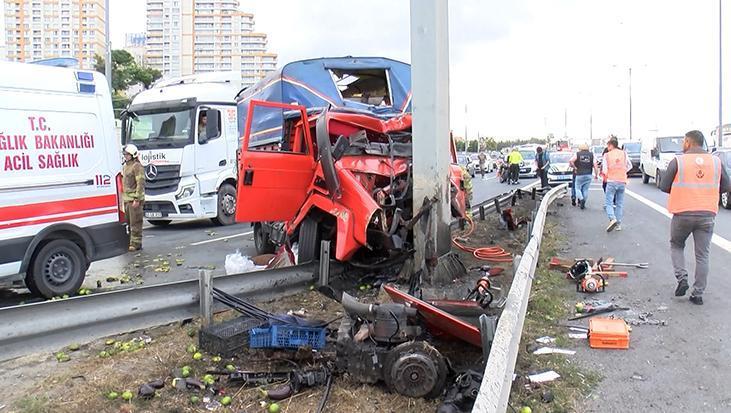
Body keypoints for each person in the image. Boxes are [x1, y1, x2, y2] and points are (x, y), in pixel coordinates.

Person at [660, 130, 731, 305]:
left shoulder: (678, 161)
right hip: (707, 213)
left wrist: (682, 192)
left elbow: (663, 185)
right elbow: (727, 185)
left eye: (684, 141)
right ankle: (698, 294)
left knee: (676, 245)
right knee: (702, 255)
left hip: (683, 213)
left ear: (688, 142)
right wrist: (708, 192)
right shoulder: (716, 161)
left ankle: (682, 278)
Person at [602, 138, 632, 232]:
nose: (608, 148)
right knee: (619, 203)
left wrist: (607, 176)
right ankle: (618, 224)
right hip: (622, 181)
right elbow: (629, 166)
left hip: (611, 181)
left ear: (611, 145)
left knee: (609, 203)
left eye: (608, 146)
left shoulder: (607, 155)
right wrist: (623, 172)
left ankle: (612, 218)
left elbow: (604, 170)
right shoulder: (624, 153)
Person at [122, 144, 145, 251]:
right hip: (127, 200)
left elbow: (140, 183)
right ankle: (131, 242)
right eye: (125, 154)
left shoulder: (137, 166)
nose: (125, 156)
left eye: (127, 154)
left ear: (133, 155)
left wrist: (137, 199)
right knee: (129, 223)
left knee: (135, 222)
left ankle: (136, 244)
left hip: (134, 200)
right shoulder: (126, 166)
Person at [570, 143, 598, 209]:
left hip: (579, 174)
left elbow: (571, 161)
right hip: (588, 174)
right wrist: (596, 175)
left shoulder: (577, 154)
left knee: (577, 188)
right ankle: (584, 201)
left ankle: (581, 199)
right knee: (585, 189)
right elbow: (595, 166)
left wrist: (575, 167)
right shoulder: (592, 155)